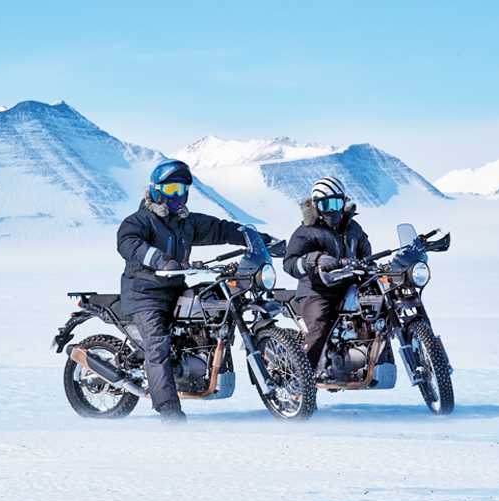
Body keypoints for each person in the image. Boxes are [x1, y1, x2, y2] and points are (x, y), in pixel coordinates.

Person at [117, 159, 275, 423]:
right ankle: (169, 411)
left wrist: (258, 239)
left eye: (180, 189)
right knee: (158, 346)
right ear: (155, 190)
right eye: (170, 190)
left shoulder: (185, 223)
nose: (176, 196)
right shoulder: (138, 221)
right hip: (145, 294)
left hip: (176, 287)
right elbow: (129, 244)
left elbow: (219, 228)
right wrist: (159, 259)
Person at [282, 176, 373, 372]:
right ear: (316, 206)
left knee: (375, 311)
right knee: (320, 326)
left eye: (336, 202)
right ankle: (302, 381)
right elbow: (289, 264)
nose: (331, 209)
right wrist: (312, 260)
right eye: (325, 204)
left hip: (348, 285)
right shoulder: (306, 231)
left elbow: (366, 251)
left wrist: (369, 265)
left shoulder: (353, 227)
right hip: (316, 290)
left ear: (343, 202)